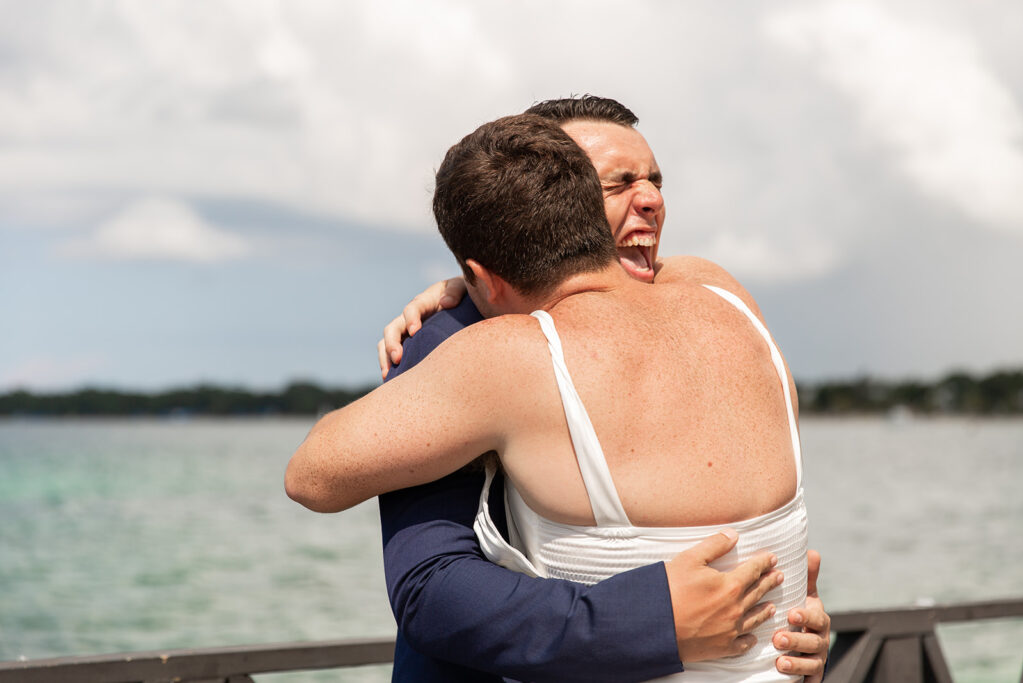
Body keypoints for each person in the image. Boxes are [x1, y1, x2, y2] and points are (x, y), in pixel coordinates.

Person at [287, 113, 820, 681]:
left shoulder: (501, 355)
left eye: (654, 181)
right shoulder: (726, 299)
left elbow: (309, 476)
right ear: (586, 209)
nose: (647, 200)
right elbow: (437, 585)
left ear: (482, 273)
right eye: (616, 184)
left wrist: (477, 296)